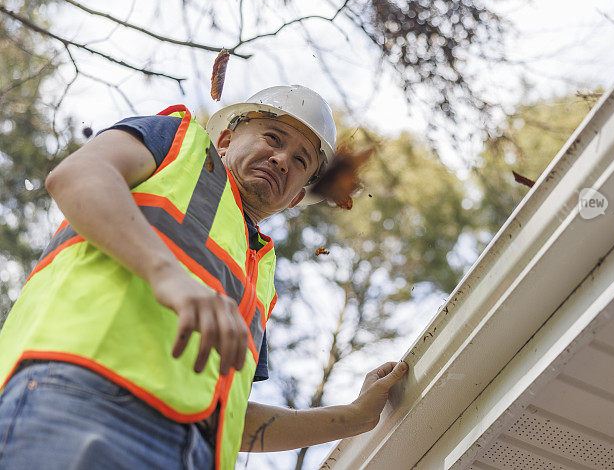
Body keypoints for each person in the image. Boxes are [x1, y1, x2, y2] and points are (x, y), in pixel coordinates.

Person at [0, 85, 408, 469]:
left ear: (297, 196)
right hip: (78, 397)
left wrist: (352, 418)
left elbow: (231, 419)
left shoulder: (260, 275)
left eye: (301, 161)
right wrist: (167, 275)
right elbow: (78, 175)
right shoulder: (178, 145)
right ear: (227, 140)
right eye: (272, 137)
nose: (282, 159)